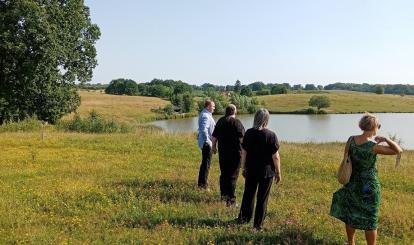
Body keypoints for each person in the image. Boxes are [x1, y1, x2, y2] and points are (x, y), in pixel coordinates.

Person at [330, 113, 403, 245]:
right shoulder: (372, 146)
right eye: (378, 126)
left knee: (351, 214)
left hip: (352, 182)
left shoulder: (351, 140)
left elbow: (346, 159)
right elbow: (398, 150)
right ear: (374, 127)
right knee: (370, 218)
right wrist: (386, 139)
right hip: (369, 186)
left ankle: (351, 242)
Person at [237, 108, 281, 230]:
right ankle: (257, 225)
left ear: (255, 118)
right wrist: (278, 172)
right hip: (266, 172)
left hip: (250, 169)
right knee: (262, 198)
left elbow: (244, 153)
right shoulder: (271, 135)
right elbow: (275, 157)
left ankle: (243, 218)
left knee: (248, 195)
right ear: (266, 120)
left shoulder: (249, 133)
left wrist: (243, 167)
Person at [212, 104, 245, 206]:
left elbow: (214, 137)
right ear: (234, 111)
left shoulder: (221, 121)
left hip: (223, 154)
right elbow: (244, 138)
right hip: (235, 154)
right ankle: (231, 201)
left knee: (224, 175)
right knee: (232, 176)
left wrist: (214, 147)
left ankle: (223, 196)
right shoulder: (237, 122)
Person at [197, 99, 216, 190]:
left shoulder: (206, 114)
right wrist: (208, 141)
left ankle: (201, 183)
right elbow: (203, 129)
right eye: (213, 106)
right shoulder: (206, 116)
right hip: (206, 144)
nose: (214, 108)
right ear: (208, 106)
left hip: (205, 143)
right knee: (206, 164)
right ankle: (203, 185)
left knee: (205, 164)